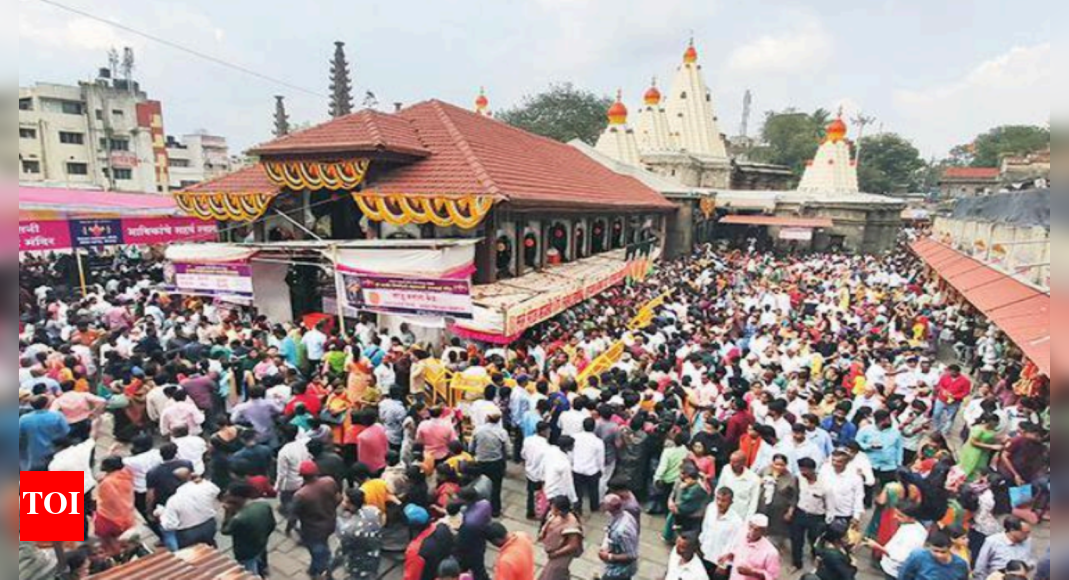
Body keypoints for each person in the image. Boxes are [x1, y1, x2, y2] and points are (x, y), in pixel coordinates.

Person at [292, 461, 341, 580]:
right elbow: (339, 498)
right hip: (330, 523)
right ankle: (313, 569)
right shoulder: (329, 481)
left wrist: (291, 527)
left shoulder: (301, 495)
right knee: (321, 549)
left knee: (319, 554)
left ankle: (323, 573)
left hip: (313, 530)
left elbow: (294, 515)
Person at [222, 483, 277, 576]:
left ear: (238, 497)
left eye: (229, 495)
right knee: (260, 560)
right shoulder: (264, 505)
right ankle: (263, 569)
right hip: (261, 543)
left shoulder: (239, 519)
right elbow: (272, 524)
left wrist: (228, 512)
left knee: (250, 572)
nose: (226, 497)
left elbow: (225, 530)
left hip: (246, 552)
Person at [863, 502, 929, 579]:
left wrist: (877, 547)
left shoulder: (914, 535)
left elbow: (901, 557)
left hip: (896, 572)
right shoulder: (911, 526)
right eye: (895, 513)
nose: (895, 517)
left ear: (912, 518)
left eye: (900, 516)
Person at [336, 488, 384, 580]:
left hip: (357, 564)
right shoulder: (373, 510)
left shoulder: (349, 529)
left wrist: (330, 567)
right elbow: (381, 520)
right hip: (374, 555)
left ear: (351, 505)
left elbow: (342, 551)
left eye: (345, 501)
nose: (342, 503)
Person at [471, 408, 510, 517]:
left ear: (487, 418)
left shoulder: (478, 430)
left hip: (481, 462)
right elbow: (508, 450)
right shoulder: (502, 432)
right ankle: (495, 510)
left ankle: (479, 509)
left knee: (479, 485)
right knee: (496, 487)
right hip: (496, 463)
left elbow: (471, 447)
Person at [718, 514, 782, 580]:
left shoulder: (771, 553)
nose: (752, 532)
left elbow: (773, 577)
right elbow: (737, 554)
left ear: (764, 531)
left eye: (757, 530)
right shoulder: (741, 538)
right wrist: (728, 556)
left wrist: (752, 572)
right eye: (751, 527)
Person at [791, 457, 827, 572]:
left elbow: (829, 502)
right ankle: (797, 563)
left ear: (812, 470)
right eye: (801, 470)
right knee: (796, 539)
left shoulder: (823, 483)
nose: (803, 473)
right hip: (800, 512)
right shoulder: (799, 477)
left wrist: (828, 518)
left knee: (815, 540)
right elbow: (796, 494)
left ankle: (817, 562)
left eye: (805, 470)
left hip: (816, 516)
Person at [700, 487, 743, 580]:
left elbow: (732, 544)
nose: (719, 503)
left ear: (731, 502)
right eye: (718, 499)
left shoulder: (736, 521)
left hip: (718, 563)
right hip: (705, 553)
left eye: (723, 501)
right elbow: (705, 528)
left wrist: (724, 565)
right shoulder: (711, 508)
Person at [538, 496, 584, 580]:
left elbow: (573, 545)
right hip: (554, 550)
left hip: (563, 554)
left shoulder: (571, 524)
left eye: (553, 507)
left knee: (551, 575)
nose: (551, 508)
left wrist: (556, 553)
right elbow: (549, 523)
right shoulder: (555, 514)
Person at [856, 410, 904, 490]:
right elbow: (856, 443)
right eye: (887, 420)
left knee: (889, 490)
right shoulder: (865, 430)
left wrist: (899, 463)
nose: (890, 422)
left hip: (889, 466)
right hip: (870, 464)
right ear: (880, 421)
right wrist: (869, 446)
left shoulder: (896, 432)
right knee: (867, 487)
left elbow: (899, 448)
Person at [19, 396, 70, 471]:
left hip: (34, 456)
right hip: (55, 453)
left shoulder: (24, 419)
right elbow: (66, 431)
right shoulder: (57, 416)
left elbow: (20, 436)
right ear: (47, 404)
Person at [755, 454, 798, 543]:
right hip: (762, 508)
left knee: (775, 538)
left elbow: (794, 498)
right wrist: (760, 481)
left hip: (778, 513)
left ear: (786, 465)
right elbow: (755, 479)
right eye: (776, 464)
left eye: (781, 465)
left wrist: (790, 512)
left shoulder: (791, 478)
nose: (778, 467)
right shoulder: (765, 471)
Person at [819, 449, 865, 528]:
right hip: (825, 512)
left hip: (844, 514)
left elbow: (858, 497)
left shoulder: (855, 477)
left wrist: (856, 517)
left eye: (839, 461)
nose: (835, 463)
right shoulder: (824, 472)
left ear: (846, 462)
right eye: (833, 460)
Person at [897, 530, 970, 580]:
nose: (939, 555)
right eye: (935, 551)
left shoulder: (960, 564)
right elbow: (904, 575)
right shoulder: (918, 556)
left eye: (943, 552)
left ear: (950, 549)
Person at [600, 494, 640, 580]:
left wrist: (609, 556)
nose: (602, 506)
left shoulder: (621, 531)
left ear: (610, 509)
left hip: (619, 572)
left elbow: (632, 555)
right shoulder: (626, 515)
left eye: (604, 505)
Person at [572, 417, 606, 516]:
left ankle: (578, 508)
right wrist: (601, 469)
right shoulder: (598, 442)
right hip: (592, 469)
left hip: (577, 467)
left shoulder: (575, 437)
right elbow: (600, 458)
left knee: (578, 490)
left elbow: (571, 452)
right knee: (593, 490)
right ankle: (594, 507)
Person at [718, 451, 761, 521]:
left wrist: (747, 521)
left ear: (743, 463)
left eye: (735, 462)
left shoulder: (754, 479)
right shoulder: (726, 469)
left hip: (740, 518)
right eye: (730, 461)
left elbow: (753, 504)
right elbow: (719, 490)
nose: (731, 464)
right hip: (723, 515)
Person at [959, 413, 1003, 481]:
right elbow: (973, 442)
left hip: (984, 452)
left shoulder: (991, 429)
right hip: (974, 452)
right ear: (990, 421)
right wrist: (992, 446)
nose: (997, 424)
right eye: (996, 422)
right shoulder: (979, 429)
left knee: (981, 467)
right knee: (972, 467)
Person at [522, 421, 551, 520]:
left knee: (530, 493)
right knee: (539, 495)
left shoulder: (528, 440)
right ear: (543, 432)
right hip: (539, 475)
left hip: (529, 471)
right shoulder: (546, 447)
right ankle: (539, 512)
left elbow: (523, 454)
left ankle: (530, 512)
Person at [932, 365, 971, 437]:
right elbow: (939, 385)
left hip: (954, 402)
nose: (950, 373)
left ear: (957, 372)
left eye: (952, 372)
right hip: (942, 399)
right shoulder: (944, 376)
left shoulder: (965, 381)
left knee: (950, 417)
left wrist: (955, 396)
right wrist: (943, 390)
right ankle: (937, 428)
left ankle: (944, 431)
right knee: (936, 414)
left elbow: (966, 392)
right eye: (949, 371)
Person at [543, 436, 578, 506]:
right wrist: (574, 499)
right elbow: (568, 483)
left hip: (548, 486)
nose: (574, 446)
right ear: (567, 447)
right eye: (572, 445)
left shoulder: (552, 450)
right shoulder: (565, 464)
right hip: (557, 492)